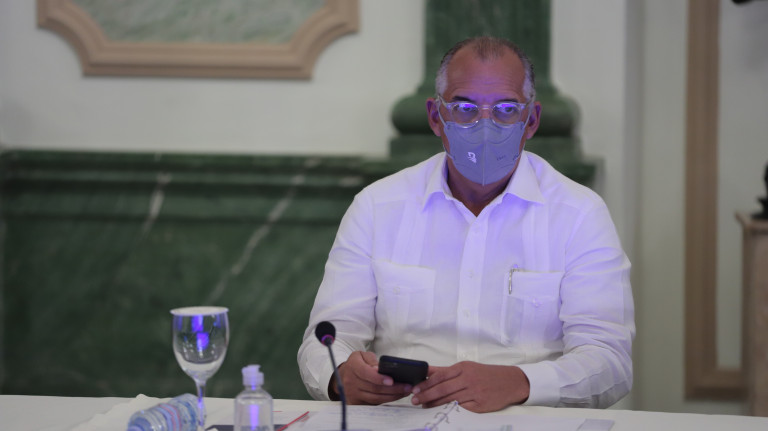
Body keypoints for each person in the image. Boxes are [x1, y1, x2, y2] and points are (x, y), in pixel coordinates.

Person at [297, 36, 634, 412]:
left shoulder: (579, 214)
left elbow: (609, 362)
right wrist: (340, 374)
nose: (484, 126)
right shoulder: (377, 207)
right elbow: (326, 338)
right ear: (435, 117)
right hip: (403, 419)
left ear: (531, 120)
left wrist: (520, 383)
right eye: (465, 108)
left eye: (506, 110)